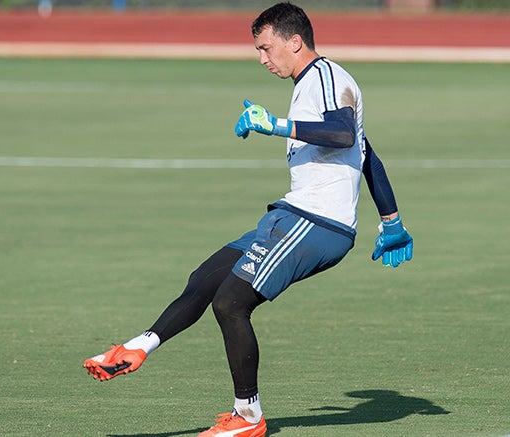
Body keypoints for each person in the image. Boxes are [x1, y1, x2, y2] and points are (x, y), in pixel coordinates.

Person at [83, 2, 414, 436]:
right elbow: (367, 155)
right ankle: (137, 347)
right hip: (293, 215)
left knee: (230, 303)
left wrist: (273, 124)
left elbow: (343, 135)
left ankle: (248, 418)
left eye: (265, 48)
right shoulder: (312, 82)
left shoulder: (326, 77)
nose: (262, 58)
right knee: (205, 278)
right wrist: (391, 220)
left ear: (294, 42)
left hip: (317, 222)